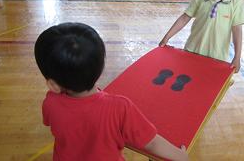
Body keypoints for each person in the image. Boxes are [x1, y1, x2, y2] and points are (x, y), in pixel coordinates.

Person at [34, 22, 189, 161]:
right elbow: (151, 142)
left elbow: (53, 123)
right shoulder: (119, 108)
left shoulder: (50, 102)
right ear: (100, 69)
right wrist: (180, 156)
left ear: (53, 85)